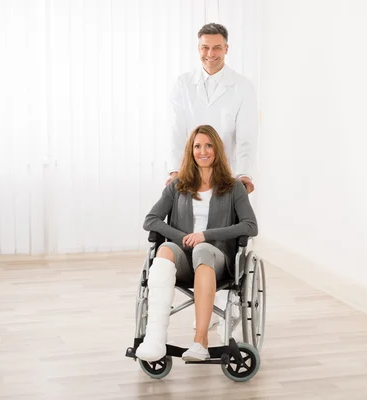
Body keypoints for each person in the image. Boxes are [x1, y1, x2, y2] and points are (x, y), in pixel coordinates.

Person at [165, 22, 259, 339]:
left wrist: (244, 174)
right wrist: (174, 170)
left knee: (221, 242)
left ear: (227, 49)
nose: (210, 54)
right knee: (188, 233)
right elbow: (176, 131)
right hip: (190, 174)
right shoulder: (183, 84)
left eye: (217, 47)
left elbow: (246, 136)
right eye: (205, 47)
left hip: (226, 177)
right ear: (198, 49)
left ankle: (217, 316)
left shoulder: (242, 86)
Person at [136, 125, 258, 362]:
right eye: (198, 146)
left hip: (217, 259)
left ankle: (200, 341)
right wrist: (181, 237)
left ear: (217, 149)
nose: (203, 151)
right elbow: (150, 220)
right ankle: (155, 338)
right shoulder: (178, 185)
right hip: (184, 258)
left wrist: (206, 235)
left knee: (202, 248)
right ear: (190, 151)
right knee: (164, 249)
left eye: (209, 145)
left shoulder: (234, 188)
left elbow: (250, 226)